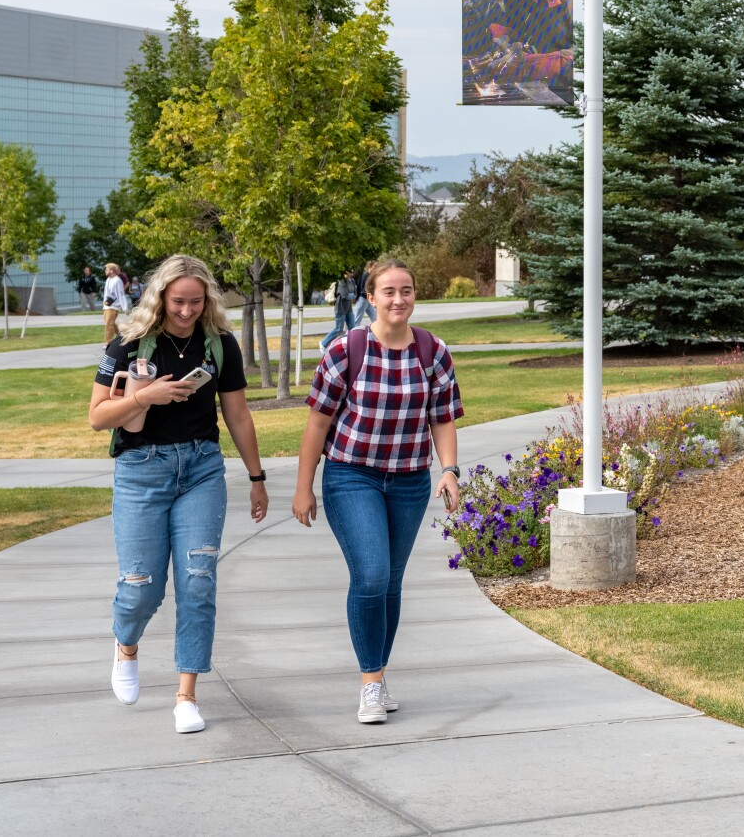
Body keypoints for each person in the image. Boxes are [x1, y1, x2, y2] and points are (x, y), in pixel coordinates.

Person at [88, 254, 267, 734]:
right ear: (160, 297)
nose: (186, 311)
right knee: (140, 587)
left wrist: (256, 477)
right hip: (141, 472)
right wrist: (145, 396)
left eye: (195, 301)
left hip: (202, 470)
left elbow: (238, 415)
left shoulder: (220, 344)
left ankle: (186, 695)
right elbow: (97, 417)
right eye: (177, 302)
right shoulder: (127, 343)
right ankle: (126, 646)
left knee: (199, 581)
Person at [293, 257, 464, 725]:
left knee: (389, 582)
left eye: (405, 290)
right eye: (388, 291)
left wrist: (448, 470)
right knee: (370, 575)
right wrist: (303, 487)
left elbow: (442, 418)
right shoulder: (345, 350)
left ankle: (379, 675)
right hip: (352, 477)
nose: (398, 299)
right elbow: (318, 423)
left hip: (409, 481)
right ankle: (371, 683)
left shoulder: (433, 352)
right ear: (369, 297)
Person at [319, 269, 358, 350]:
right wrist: (351, 295)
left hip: (348, 308)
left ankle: (350, 345)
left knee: (352, 328)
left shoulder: (352, 281)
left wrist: (351, 295)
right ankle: (323, 343)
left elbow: (355, 294)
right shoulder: (341, 281)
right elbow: (344, 295)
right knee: (339, 329)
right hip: (340, 308)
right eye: (348, 272)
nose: (350, 274)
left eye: (351, 272)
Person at [102, 263, 130, 344]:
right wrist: (105, 305)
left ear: (111, 271)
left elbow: (121, 294)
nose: (105, 271)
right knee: (112, 324)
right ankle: (123, 335)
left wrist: (125, 308)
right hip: (107, 305)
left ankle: (108, 343)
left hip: (113, 307)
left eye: (106, 269)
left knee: (108, 325)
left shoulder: (117, 281)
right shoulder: (108, 280)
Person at [352, 260, 376, 328]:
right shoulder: (365, 275)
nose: (376, 268)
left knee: (375, 317)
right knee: (357, 319)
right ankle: (352, 334)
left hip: (368, 299)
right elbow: (362, 288)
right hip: (363, 299)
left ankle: (376, 333)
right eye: (375, 266)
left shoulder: (371, 276)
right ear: (370, 267)